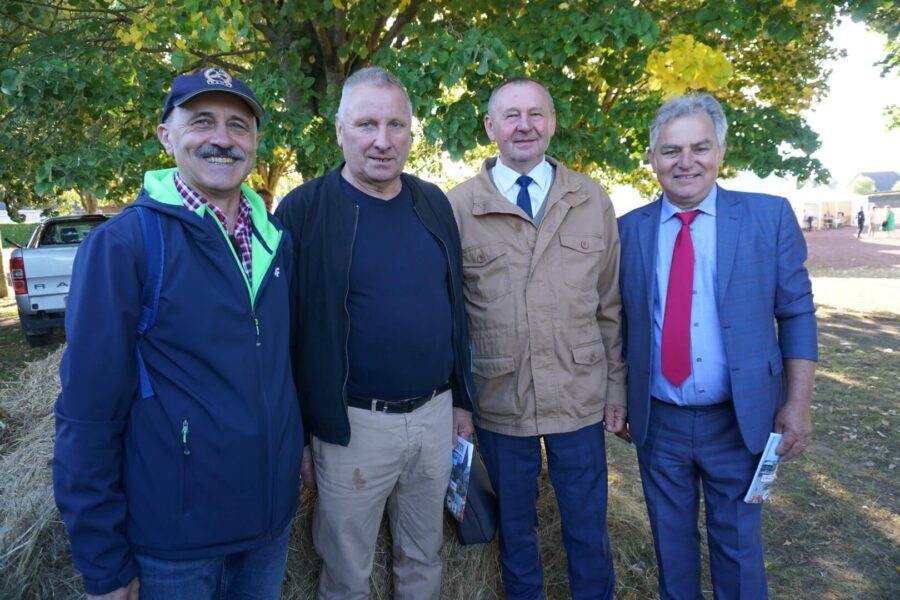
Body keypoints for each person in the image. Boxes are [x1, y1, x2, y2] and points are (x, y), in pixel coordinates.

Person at [53, 68, 303, 600]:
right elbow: (87, 412)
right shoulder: (125, 245)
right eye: (202, 121)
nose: (222, 138)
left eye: (239, 125)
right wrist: (103, 562)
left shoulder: (275, 239)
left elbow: (279, 369)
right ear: (166, 135)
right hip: (176, 543)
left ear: (256, 141)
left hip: (267, 527)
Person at [275, 66, 475, 599]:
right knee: (346, 571)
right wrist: (301, 433)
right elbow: (282, 332)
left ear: (411, 132)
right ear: (339, 130)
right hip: (352, 426)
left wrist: (462, 402)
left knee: (423, 556)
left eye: (396, 126)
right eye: (367, 125)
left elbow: (456, 309)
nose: (383, 142)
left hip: (435, 417)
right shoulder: (303, 211)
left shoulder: (433, 203)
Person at [617, 94, 818, 599]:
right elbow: (614, 322)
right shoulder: (627, 231)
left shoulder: (767, 218)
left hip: (740, 421)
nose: (686, 162)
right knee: (672, 549)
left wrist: (797, 404)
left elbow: (795, 312)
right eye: (670, 151)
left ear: (721, 151)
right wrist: (615, 394)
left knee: (739, 553)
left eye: (699, 147)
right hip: (658, 422)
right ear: (652, 158)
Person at [447, 77, 626, 600]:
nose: (524, 125)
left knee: (588, 530)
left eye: (535, 114)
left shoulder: (590, 198)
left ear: (551, 122)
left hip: (579, 396)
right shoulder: (459, 208)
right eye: (510, 115)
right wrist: (459, 402)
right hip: (501, 399)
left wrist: (617, 389)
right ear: (490, 126)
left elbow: (611, 306)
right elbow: (451, 317)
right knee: (516, 534)